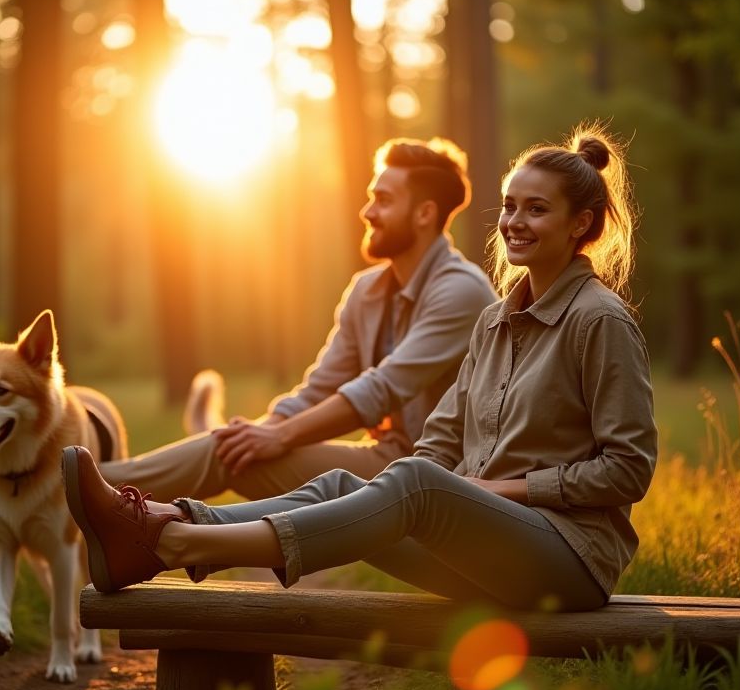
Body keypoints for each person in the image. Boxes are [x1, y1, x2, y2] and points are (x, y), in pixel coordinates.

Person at [64, 124, 658, 611]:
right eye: (508, 206)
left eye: (536, 209)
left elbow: (628, 470)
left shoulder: (599, 321)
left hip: (569, 561)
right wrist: (403, 489)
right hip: (484, 547)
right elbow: (440, 442)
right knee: (349, 485)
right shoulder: (496, 321)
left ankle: (173, 542)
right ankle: (166, 527)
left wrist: (489, 489)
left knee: (411, 481)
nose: (513, 222)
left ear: (580, 223)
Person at [97, 137, 495, 503]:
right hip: (391, 458)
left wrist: (277, 437)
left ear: (425, 213)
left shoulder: (460, 291)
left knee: (237, 455)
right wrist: (259, 432)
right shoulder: (368, 290)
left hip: (444, 477)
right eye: (371, 197)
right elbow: (320, 388)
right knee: (236, 450)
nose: (367, 211)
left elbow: (380, 390)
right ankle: (93, 489)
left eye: (384, 200)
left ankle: (85, 487)